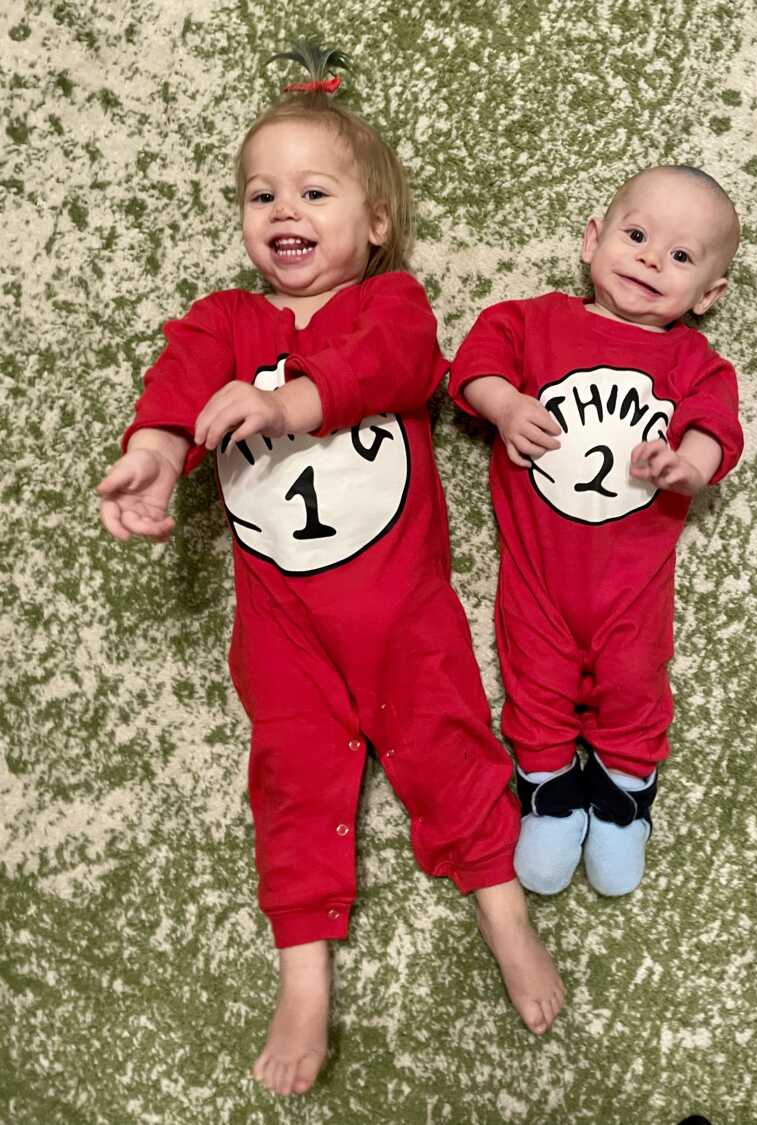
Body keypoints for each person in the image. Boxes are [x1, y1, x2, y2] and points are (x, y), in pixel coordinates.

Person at [97, 43, 563, 1098]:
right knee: (293, 779)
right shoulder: (227, 321)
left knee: (446, 738)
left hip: (401, 604)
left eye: (314, 191)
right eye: (262, 194)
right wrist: (160, 453)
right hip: (283, 625)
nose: (283, 210)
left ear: (376, 223)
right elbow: (177, 376)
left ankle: (501, 907)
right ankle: (302, 970)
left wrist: (289, 402)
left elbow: (396, 367)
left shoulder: (390, 303)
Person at [449, 165, 743, 900]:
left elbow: (717, 429)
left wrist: (686, 465)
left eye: (681, 257)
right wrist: (507, 405)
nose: (649, 259)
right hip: (539, 573)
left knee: (634, 681)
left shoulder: (693, 362)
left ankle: (622, 794)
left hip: (632, 581)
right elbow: (473, 367)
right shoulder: (532, 321)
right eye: (637, 235)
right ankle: (548, 785)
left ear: (708, 295)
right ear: (593, 240)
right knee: (534, 677)